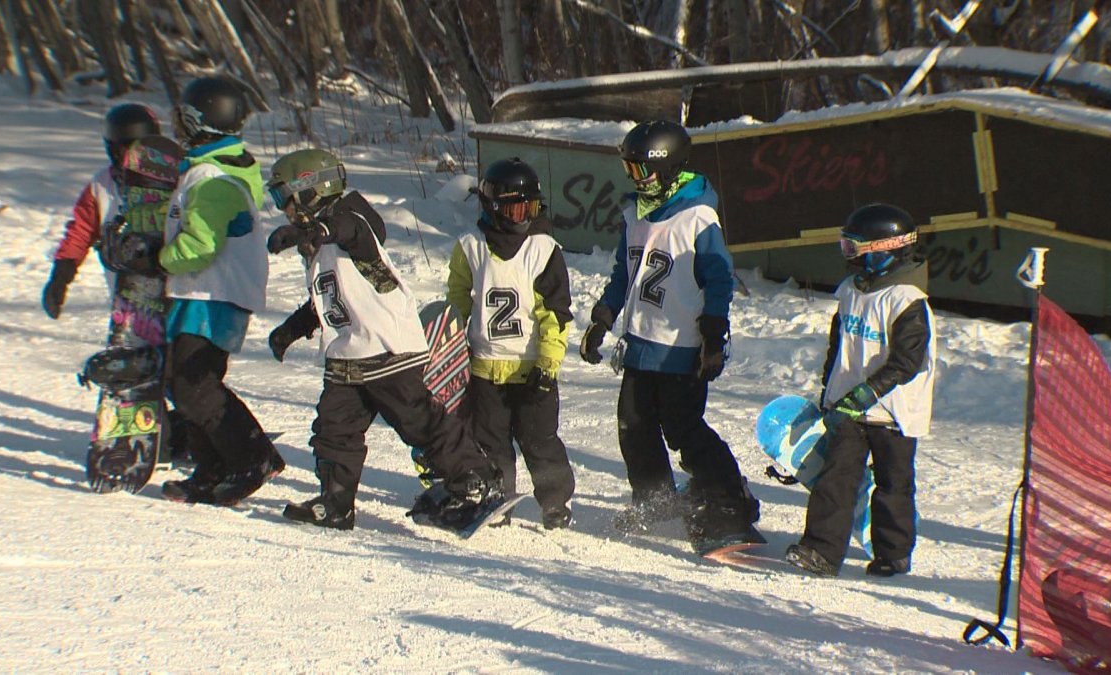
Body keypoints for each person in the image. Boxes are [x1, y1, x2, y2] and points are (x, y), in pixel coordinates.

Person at [263, 148, 504, 531]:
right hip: (348, 353)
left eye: (285, 199)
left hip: (387, 348)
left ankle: (475, 481)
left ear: (311, 189)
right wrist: (289, 331)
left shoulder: (351, 220)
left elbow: (351, 230)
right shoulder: (318, 245)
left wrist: (316, 231)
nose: (285, 210)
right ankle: (336, 502)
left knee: (419, 423)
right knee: (333, 429)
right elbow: (328, 299)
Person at [579, 120, 760, 549]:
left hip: (682, 348)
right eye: (630, 170)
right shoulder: (634, 215)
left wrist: (714, 333)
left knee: (684, 429)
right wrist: (604, 316)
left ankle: (729, 498)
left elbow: (718, 278)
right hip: (641, 345)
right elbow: (625, 274)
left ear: (671, 169)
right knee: (634, 425)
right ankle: (655, 500)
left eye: (642, 170)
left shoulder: (698, 217)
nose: (635, 179)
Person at [118, 77, 282, 506]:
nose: (178, 128)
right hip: (201, 295)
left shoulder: (212, 180)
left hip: (214, 296)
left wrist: (158, 258)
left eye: (184, 119)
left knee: (195, 384)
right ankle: (214, 465)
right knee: (183, 381)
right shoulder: (208, 171)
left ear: (199, 121)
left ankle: (252, 456)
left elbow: (201, 245)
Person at [785, 203, 937, 578]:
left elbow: (907, 362)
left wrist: (868, 393)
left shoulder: (908, 302)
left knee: (893, 485)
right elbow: (839, 346)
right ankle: (821, 550)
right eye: (846, 246)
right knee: (836, 477)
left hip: (893, 412)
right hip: (850, 407)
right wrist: (830, 391)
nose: (848, 256)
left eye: (855, 248)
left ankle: (893, 552)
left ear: (885, 250)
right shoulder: (851, 292)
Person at [445, 157, 576, 530]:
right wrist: (449, 342)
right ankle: (497, 501)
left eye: (529, 208)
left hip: (532, 367)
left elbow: (556, 312)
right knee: (490, 443)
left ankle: (554, 502)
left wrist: (549, 364)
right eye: (514, 208)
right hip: (485, 366)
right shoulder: (471, 246)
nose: (522, 216)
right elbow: (457, 297)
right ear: (492, 206)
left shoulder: (543, 250)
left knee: (540, 441)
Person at [41, 103, 161, 319]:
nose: (132, 158)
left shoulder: (176, 180)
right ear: (113, 150)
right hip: (126, 296)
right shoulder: (102, 185)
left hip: (173, 289)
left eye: (141, 150)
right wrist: (60, 275)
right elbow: (81, 231)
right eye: (125, 150)